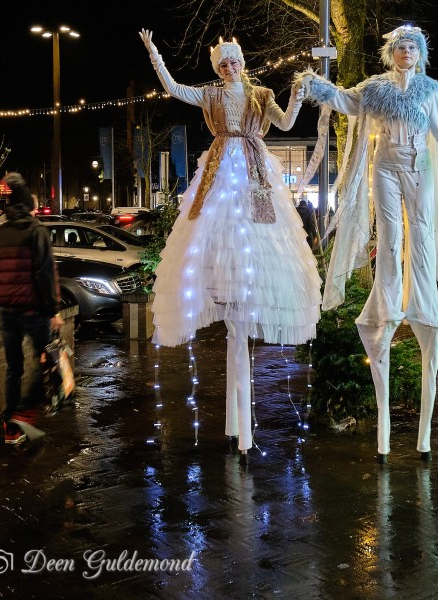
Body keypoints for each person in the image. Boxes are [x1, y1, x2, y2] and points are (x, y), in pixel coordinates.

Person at [297, 25, 438, 462]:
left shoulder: (429, 91)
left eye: (412, 47)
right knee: (389, 234)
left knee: (421, 234)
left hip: (419, 165)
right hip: (386, 166)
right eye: (400, 47)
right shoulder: (376, 88)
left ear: (420, 54)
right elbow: (346, 101)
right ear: (392, 53)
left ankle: (421, 297)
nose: (406, 52)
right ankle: (388, 297)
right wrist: (316, 86)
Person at [139, 31, 321, 461]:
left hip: (255, 171)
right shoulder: (211, 96)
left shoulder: (261, 94)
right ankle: (237, 428)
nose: (229, 68)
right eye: (223, 64)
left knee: (256, 232)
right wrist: (155, 55)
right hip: (220, 169)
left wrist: (297, 96)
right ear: (218, 68)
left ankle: (240, 427)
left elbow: (286, 124)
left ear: (242, 62)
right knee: (214, 229)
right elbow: (175, 89)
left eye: (233, 61)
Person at [0, 173, 63, 444]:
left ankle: (11, 428)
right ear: (28, 202)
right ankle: (24, 412)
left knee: (13, 368)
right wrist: (53, 311)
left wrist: (3, 295)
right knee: (49, 358)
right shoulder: (35, 230)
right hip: (33, 309)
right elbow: (45, 273)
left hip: (7, 310)